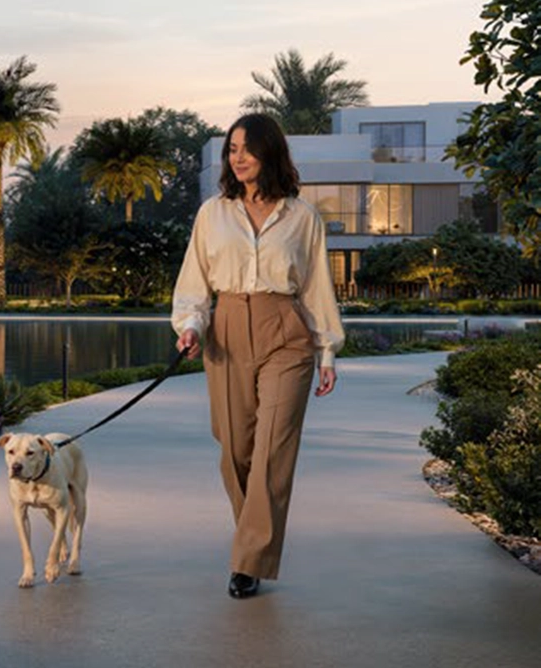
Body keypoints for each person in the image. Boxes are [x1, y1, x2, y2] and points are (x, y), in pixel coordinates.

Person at [171, 113, 343, 600]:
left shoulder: (302, 217)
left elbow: (316, 288)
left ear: (270, 152)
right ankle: (254, 538)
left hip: (286, 332)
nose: (238, 157)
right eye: (232, 149)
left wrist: (326, 350)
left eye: (247, 148)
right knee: (236, 450)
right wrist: (190, 325)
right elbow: (194, 280)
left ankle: (248, 560)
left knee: (271, 450)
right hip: (226, 330)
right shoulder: (213, 214)